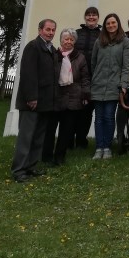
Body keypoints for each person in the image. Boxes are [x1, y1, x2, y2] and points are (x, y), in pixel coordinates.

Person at [11, 19, 59, 183]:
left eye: (53, 30)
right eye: (47, 29)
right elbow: (28, 74)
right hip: (31, 102)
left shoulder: (52, 50)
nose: (50, 32)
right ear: (40, 30)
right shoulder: (33, 47)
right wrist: (31, 97)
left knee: (38, 138)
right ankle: (19, 170)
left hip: (45, 103)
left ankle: (30, 166)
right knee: (26, 137)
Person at [42, 28, 90, 167]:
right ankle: (46, 156)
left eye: (71, 39)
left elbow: (85, 78)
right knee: (50, 130)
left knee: (66, 131)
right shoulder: (54, 55)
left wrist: (85, 94)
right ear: (61, 40)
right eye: (66, 39)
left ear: (74, 42)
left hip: (72, 98)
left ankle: (60, 157)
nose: (68, 42)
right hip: (55, 97)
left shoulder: (80, 57)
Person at [90, 13, 129, 160]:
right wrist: (95, 78)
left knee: (109, 117)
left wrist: (123, 84)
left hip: (114, 86)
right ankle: (99, 147)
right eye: (108, 23)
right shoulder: (99, 41)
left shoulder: (125, 42)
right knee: (98, 118)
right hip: (98, 85)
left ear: (118, 24)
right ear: (105, 25)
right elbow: (93, 63)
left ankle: (107, 147)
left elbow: (127, 66)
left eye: (113, 23)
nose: (111, 25)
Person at [72, 6, 101, 148]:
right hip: (75, 77)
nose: (91, 17)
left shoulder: (102, 35)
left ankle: (81, 140)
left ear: (98, 18)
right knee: (73, 109)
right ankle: (69, 139)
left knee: (87, 110)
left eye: (94, 15)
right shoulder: (77, 33)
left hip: (93, 78)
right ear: (85, 17)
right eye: (88, 15)